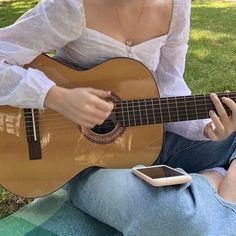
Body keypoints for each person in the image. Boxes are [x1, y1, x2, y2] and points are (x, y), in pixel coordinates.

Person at [0, 0, 236, 235]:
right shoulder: (70, 6)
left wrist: (206, 128)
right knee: (173, 218)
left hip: (151, 141)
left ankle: (218, 185)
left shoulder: (177, 7)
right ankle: (214, 182)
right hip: (85, 166)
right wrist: (56, 97)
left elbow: (169, 84)